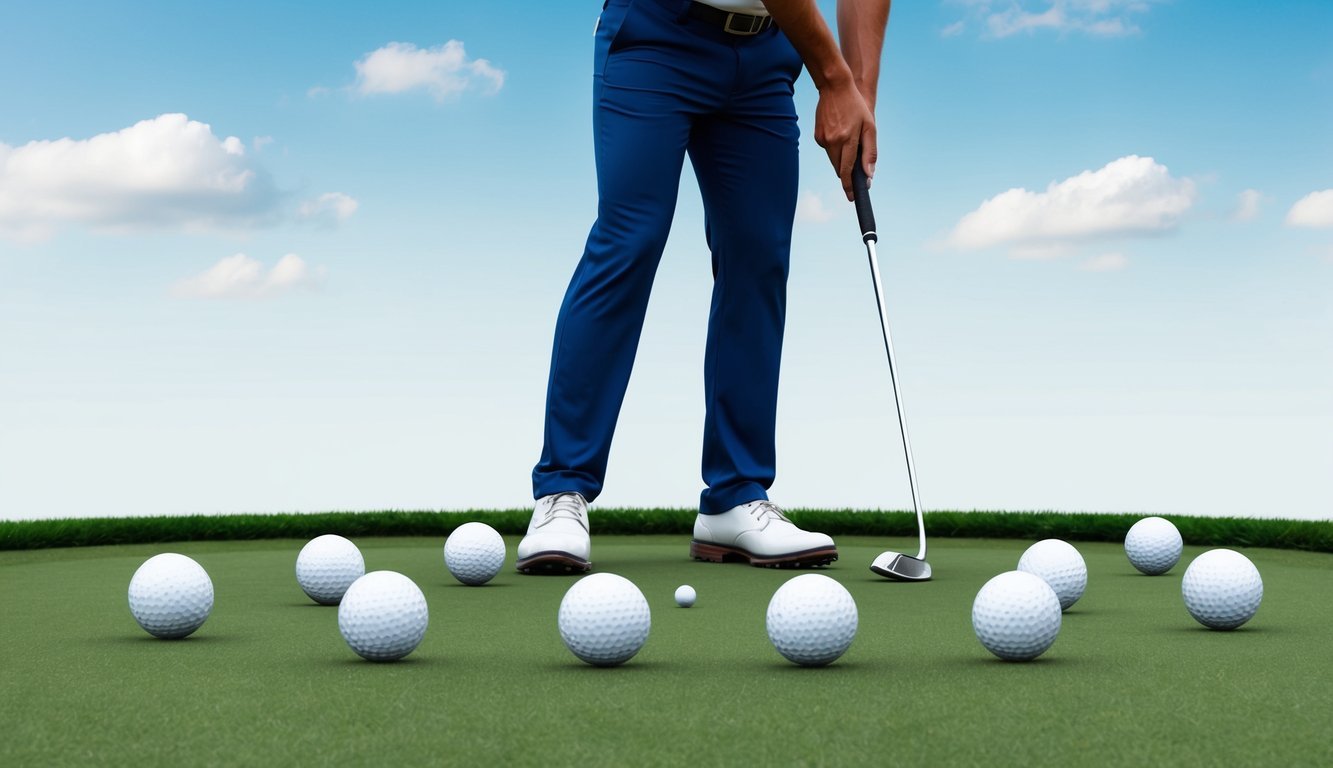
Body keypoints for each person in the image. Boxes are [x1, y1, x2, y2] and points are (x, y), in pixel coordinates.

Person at [519, 0, 891, 573]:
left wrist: (857, 94)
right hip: (657, 34)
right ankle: (562, 492)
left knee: (758, 257)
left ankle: (735, 497)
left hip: (768, 54)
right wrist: (834, 78)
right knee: (630, 239)